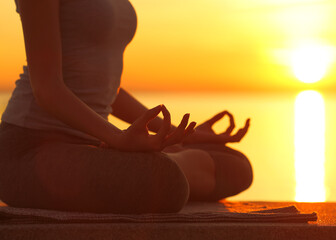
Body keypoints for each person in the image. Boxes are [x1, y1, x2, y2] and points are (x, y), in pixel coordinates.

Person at [0, 0, 253, 214]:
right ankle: (171, 162)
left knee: (236, 165)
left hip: (95, 145)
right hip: (29, 150)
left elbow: (108, 88)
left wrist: (181, 134)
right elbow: (47, 89)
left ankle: (174, 159)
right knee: (166, 181)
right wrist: (118, 138)